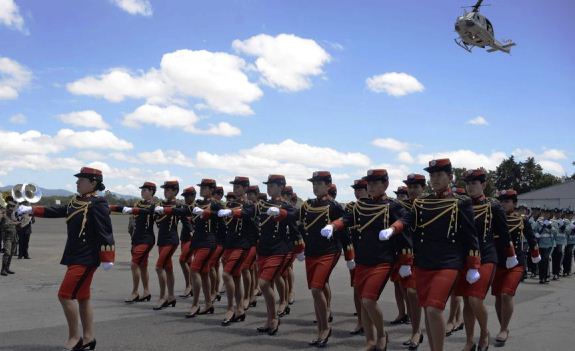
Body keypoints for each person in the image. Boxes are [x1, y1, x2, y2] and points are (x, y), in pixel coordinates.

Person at [17, 166, 115, 351]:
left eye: (81, 180)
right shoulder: (76, 201)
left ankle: (75, 338)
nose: (77, 182)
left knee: (65, 295)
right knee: (83, 297)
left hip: (87, 257)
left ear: (93, 182)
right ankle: (88, 338)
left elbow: (105, 231)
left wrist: (107, 256)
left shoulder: (98, 203)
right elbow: (57, 210)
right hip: (75, 255)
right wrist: (31, 209)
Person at [325, 169, 409, 351]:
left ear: (385, 184)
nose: (370, 187)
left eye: (374, 183)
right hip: (363, 259)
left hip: (382, 260)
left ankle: (381, 334)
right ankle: (370, 341)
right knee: (363, 302)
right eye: (368, 183)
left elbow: (405, 225)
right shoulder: (360, 206)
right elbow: (346, 219)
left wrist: (405, 258)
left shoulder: (392, 206)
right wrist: (333, 225)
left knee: (368, 300)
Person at [408, 159, 481, 351]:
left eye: (439, 175)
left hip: (448, 262)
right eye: (432, 175)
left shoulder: (461, 202)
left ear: (450, 177)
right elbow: (414, 232)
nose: (435, 179)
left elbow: (470, 235)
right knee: (427, 310)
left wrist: (473, 264)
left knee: (433, 308)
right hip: (424, 262)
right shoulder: (423, 202)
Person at [458, 169, 517, 351]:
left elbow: (504, 233)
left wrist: (510, 256)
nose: (470, 187)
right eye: (468, 184)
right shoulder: (460, 205)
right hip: (465, 258)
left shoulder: (493, 206)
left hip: (486, 256)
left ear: (483, 185)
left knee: (475, 299)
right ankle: (469, 340)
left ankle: (484, 332)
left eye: (474, 183)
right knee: (467, 301)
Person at [299, 171, 355, 347]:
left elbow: (346, 225)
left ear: (328, 186)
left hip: (329, 251)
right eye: (314, 184)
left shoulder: (334, 206)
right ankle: (321, 327)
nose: (315, 187)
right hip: (312, 252)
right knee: (317, 290)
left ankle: (326, 327)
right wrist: (299, 247)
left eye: (319, 184)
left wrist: (349, 256)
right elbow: (300, 225)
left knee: (316, 289)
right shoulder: (308, 205)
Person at [491, 189, 541, 347]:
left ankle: (504, 329)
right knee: (498, 297)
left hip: (516, 263)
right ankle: (502, 326)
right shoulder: (492, 219)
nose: (503, 204)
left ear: (514, 203)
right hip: (498, 262)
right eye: (501, 201)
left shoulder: (522, 220)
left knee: (506, 294)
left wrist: (535, 254)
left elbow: (531, 239)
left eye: (507, 201)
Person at [255, 174, 303, 336]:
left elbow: (294, 216)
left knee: (263, 283)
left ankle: (274, 317)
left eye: (273, 185)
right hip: (263, 249)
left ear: (281, 187)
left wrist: (280, 212)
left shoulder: (286, 205)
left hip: (279, 249)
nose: (269, 188)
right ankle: (270, 318)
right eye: (268, 185)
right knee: (267, 284)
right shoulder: (262, 204)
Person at [110, 181, 157, 303]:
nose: (142, 191)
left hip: (146, 239)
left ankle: (135, 292)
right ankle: (146, 291)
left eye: (145, 190)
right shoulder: (138, 203)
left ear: (152, 191)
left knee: (134, 264)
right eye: (142, 189)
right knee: (142, 265)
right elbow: (132, 221)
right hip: (136, 238)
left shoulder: (154, 205)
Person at [217, 177, 255, 326]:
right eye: (234, 186)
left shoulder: (250, 204)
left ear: (246, 188)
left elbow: (246, 214)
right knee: (236, 277)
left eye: (238, 186)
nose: (235, 189)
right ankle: (240, 310)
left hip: (242, 245)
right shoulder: (230, 203)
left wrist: (230, 212)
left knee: (226, 274)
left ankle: (230, 308)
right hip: (230, 244)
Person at [346, 179, 369, 336]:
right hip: (355, 251)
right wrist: (349, 255)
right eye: (356, 189)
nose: (357, 192)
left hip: (374, 253)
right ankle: (361, 321)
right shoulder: (350, 208)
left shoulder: (379, 206)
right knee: (357, 288)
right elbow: (344, 232)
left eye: (360, 189)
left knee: (370, 293)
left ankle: (370, 324)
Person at [178, 186, 196, 298]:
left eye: (188, 196)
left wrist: (192, 231)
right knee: (188, 262)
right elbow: (184, 221)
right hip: (184, 237)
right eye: (185, 196)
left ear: (194, 196)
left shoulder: (198, 207)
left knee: (182, 260)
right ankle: (190, 286)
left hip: (193, 238)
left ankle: (190, 285)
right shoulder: (183, 208)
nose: (186, 198)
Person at [1, 197, 19, 276]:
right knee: (7, 253)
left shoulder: (13, 216)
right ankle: (3, 270)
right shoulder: (3, 216)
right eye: (10, 207)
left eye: (13, 207)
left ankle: (7, 268)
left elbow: (16, 225)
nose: (12, 209)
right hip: (7, 237)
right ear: (7, 208)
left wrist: (20, 223)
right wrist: (14, 223)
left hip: (14, 236)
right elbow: (5, 225)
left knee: (11, 253)